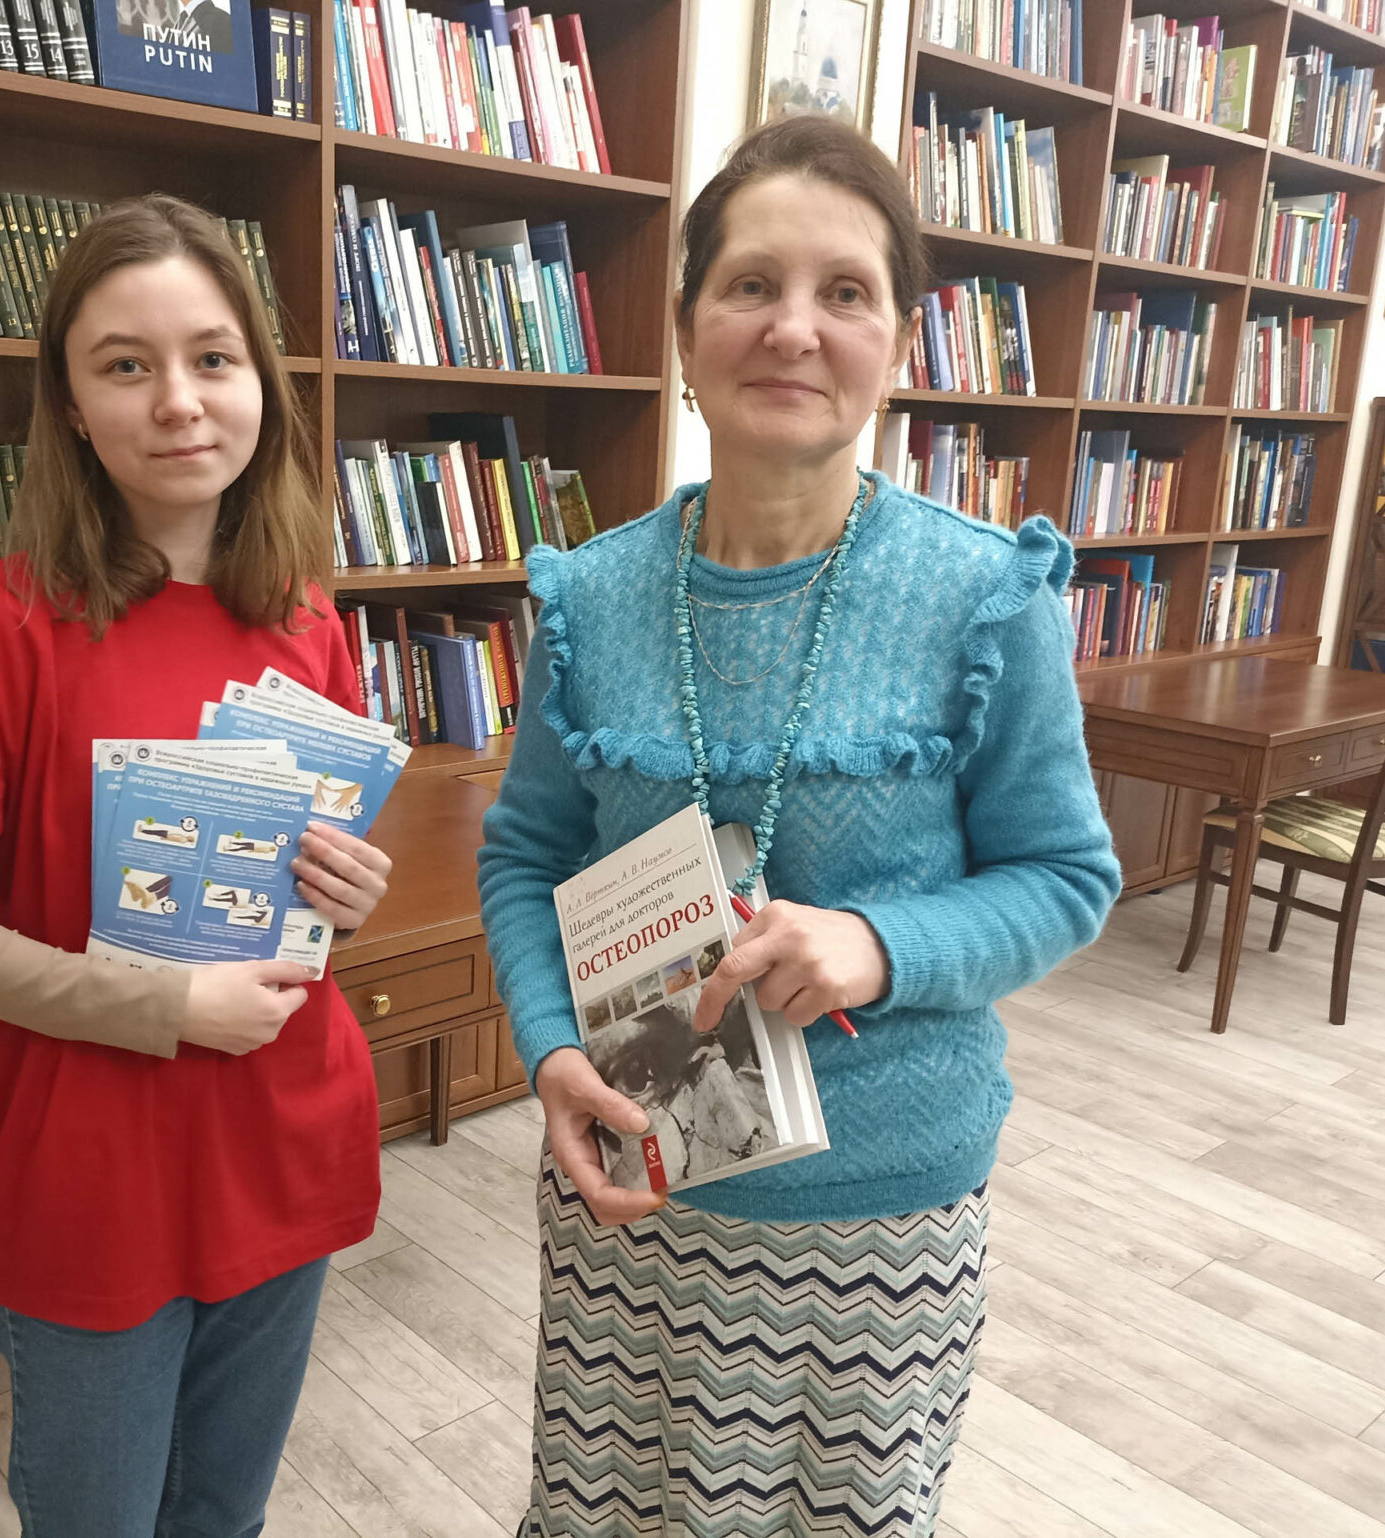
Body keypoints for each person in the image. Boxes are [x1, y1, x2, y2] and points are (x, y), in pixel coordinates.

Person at [477, 112, 1122, 1537]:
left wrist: (877, 944)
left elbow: (1066, 874)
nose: (793, 328)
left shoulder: (984, 595)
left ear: (899, 340)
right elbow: (527, 851)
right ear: (685, 328)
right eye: (751, 284)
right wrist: (548, 1046)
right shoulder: (591, 596)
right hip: (635, 1174)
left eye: (844, 292)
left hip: (876, 1218)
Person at [0, 194, 394, 1537]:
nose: (179, 401)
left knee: (224, 1517)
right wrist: (162, 1004)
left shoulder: (307, 617)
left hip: (285, 1136)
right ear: (71, 405)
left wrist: (347, 893)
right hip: (96, 1173)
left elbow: (306, 885)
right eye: (125, 364)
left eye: (212, 357)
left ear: (261, 381)